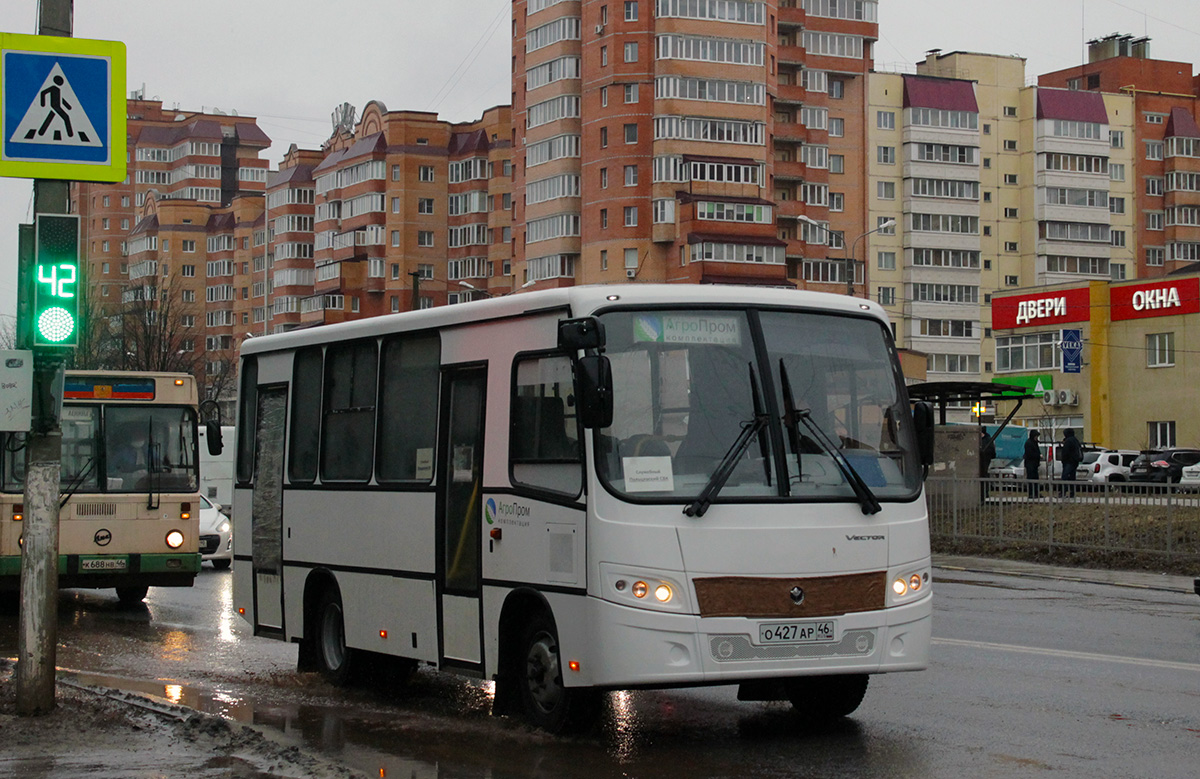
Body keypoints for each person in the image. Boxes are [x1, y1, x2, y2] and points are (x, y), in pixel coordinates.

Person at [1059, 428, 1083, 498]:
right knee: (1072, 477)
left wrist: (1063, 460)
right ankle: (1072, 493)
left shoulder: (1068, 441)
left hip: (1068, 461)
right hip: (1075, 462)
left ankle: (1063, 492)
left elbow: (1065, 452)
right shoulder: (1076, 440)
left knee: (1065, 477)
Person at [1023, 429, 1042, 499]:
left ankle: (1036, 493)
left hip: (1034, 464)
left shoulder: (1034, 443)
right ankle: (1031, 493)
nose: (1037, 438)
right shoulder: (1029, 443)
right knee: (1031, 479)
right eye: (1036, 436)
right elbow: (1030, 454)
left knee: (1036, 479)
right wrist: (1038, 455)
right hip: (1030, 464)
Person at [979, 429, 996, 503]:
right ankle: (984, 493)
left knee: (984, 475)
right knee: (983, 475)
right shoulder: (987, 440)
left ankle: (985, 493)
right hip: (984, 459)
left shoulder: (987, 440)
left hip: (985, 459)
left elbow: (991, 450)